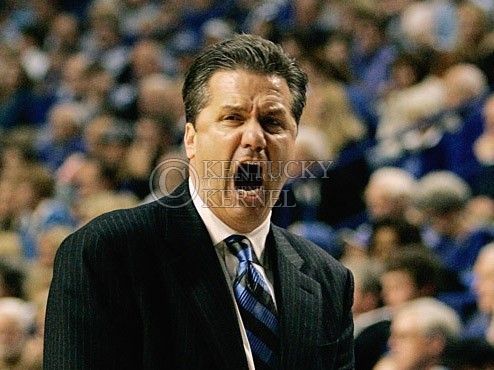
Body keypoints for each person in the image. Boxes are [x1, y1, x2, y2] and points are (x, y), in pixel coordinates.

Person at [44, 34, 355, 369]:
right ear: (191, 140)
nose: (254, 138)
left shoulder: (328, 280)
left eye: (272, 122)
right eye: (233, 118)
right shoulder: (107, 252)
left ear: (293, 144)